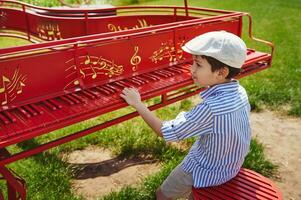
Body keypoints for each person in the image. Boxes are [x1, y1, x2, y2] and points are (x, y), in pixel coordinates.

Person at [120, 31, 251, 200]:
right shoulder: (240, 92)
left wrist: (137, 104)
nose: (192, 69)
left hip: (205, 169)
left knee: (161, 195)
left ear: (222, 72)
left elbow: (165, 131)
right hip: (231, 166)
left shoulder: (210, 109)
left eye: (198, 65)